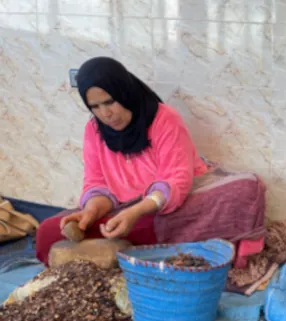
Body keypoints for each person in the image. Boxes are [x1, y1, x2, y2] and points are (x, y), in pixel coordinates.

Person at [35, 57, 211, 264]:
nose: (106, 114)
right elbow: (97, 183)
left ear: (125, 93)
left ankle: (112, 253)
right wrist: (90, 212)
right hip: (121, 209)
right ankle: (120, 251)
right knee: (47, 232)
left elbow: (176, 180)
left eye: (110, 102)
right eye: (95, 106)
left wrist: (136, 212)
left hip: (163, 206)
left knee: (235, 194)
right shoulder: (94, 130)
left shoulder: (164, 119)